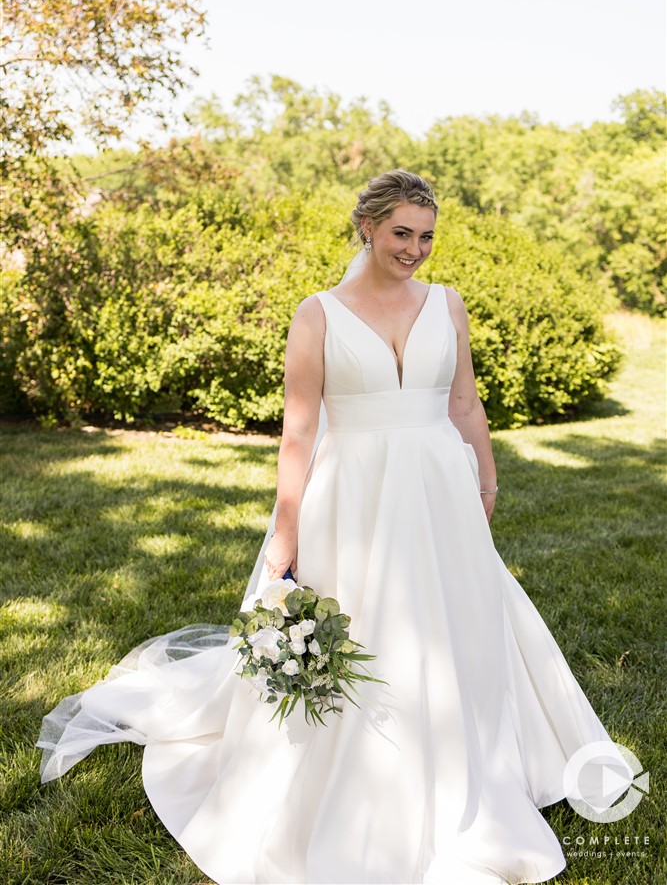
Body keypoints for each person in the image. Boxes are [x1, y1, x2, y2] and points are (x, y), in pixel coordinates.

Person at [38, 170, 629, 884]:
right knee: (364, 622)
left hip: (441, 491)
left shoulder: (448, 304)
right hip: (354, 497)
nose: (414, 248)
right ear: (368, 230)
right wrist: (285, 534)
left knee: (458, 620)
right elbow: (299, 432)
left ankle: (471, 759)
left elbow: (465, 403)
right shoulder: (318, 314)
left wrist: (487, 476)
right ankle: (366, 778)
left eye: (425, 235)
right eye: (401, 233)